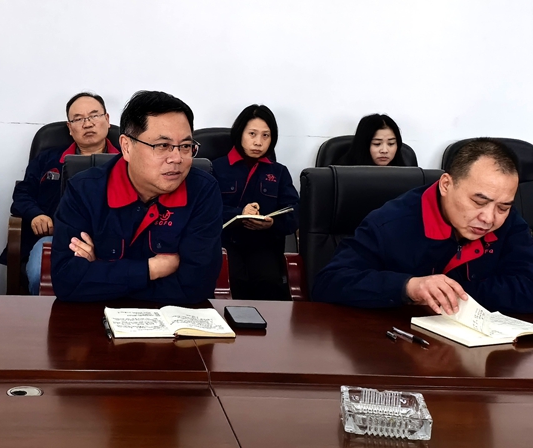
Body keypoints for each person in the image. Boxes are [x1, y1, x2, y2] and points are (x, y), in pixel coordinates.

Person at [314, 138, 533, 314]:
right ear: (446, 185)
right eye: (479, 202)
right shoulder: (391, 222)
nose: (489, 218)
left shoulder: (509, 223)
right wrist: (408, 287)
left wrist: (453, 292)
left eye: (503, 207)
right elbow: (330, 283)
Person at [50, 90, 223, 303]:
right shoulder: (83, 190)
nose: (177, 158)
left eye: (185, 146)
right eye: (163, 146)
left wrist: (101, 272)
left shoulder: (203, 190)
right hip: (95, 318)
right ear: (126, 147)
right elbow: (66, 282)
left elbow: (195, 287)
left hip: (175, 320)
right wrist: (152, 269)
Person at [0, 92, 118, 295]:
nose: (88, 124)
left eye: (94, 115)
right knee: (40, 273)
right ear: (70, 128)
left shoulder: (128, 163)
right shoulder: (48, 159)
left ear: (107, 120)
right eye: (79, 119)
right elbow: (22, 193)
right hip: (55, 238)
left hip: (114, 241)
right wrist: (36, 214)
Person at [212, 105, 299, 300]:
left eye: (265, 136)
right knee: (233, 281)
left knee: (268, 283)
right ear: (240, 133)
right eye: (252, 134)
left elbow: (294, 211)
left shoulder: (279, 172)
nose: (258, 142)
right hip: (226, 243)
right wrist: (239, 213)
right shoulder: (216, 168)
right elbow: (207, 210)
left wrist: (272, 223)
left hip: (264, 244)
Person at [338, 114, 407, 166]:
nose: (384, 150)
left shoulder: (406, 173)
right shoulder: (343, 173)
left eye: (391, 143)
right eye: (377, 144)